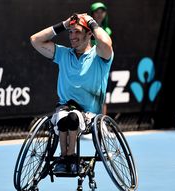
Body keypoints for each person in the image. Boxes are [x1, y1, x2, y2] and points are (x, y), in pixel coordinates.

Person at [30, 13, 113, 174]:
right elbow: (35, 40)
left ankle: (71, 157)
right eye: (70, 32)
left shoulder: (100, 55)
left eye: (77, 32)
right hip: (64, 107)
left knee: (74, 117)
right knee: (63, 118)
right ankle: (64, 158)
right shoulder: (63, 54)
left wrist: (91, 22)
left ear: (89, 34)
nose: (72, 36)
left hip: (90, 114)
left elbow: (105, 41)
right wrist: (64, 24)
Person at [91, 2, 112, 114]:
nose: (99, 14)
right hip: (90, 65)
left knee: (102, 96)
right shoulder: (87, 31)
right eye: (97, 12)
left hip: (103, 66)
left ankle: (102, 124)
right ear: (92, 14)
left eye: (102, 11)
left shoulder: (107, 31)